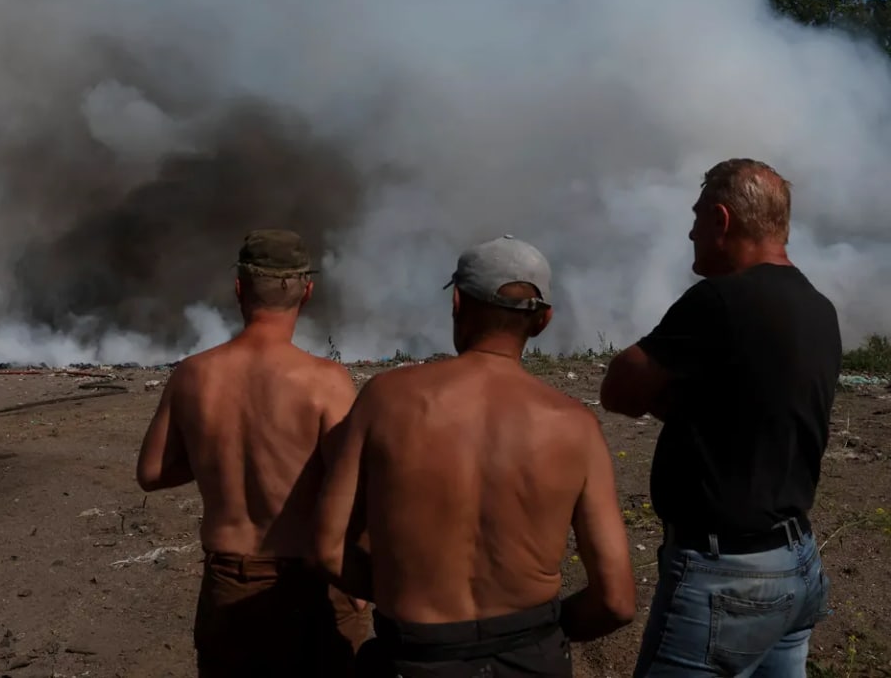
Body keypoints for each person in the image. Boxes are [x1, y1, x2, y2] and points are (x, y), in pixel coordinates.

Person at [314, 235, 636, 678]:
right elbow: (617, 602)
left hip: (417, 658)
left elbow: (328, 548)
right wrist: (536, 635)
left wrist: (399, 592)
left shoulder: (386, 399)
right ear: (543, 321)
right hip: (532, 658)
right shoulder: (576, 426)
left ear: (457, 303)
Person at [600, 159, 839, 677]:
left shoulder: (718, 302)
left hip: (726, 576)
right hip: (796, 561)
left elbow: (618, 388)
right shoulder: (819, 307)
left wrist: (666, 399)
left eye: (696, 216)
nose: (690, 231)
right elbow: (752, 409)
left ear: (722, 220)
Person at [135, 229, 370, 677]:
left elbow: (151, 472)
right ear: (308, 292)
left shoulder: (193, 375)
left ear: (239, 289)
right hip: (316, 580)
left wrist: (213, 455)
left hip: (231, 583)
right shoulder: (325, 381)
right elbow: (356, 483)